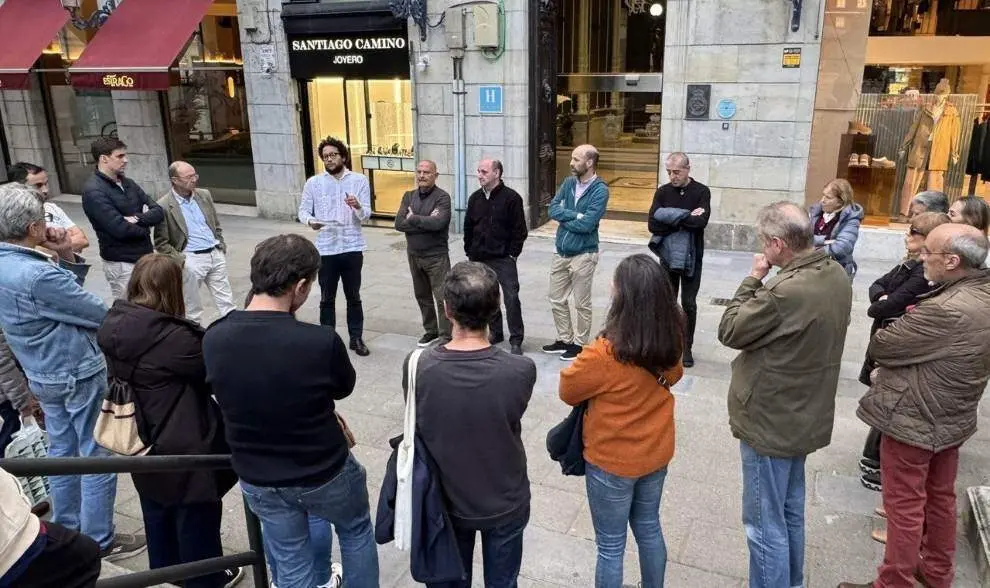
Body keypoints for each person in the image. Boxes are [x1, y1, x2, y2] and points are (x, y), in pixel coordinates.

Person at [203, 234, 379, 588]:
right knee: (355, 528)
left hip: (258, 474)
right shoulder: (319, 341)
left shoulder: (214, 337)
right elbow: (342, 387)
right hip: (322, 469)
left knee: (289, 556)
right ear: (299, 287)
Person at [0, 182, 145, 561]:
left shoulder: (10, 265)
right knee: (95, 454)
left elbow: (60, 303)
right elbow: (94, 312)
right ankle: (99, 539)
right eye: (41, 220)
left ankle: (67, 526)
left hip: (42, 372)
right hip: (74, 372)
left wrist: (63, 253)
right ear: (32, 227)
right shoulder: (36, 274)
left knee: (62, 451)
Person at [840, 224, 990, 588]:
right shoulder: (981, 292)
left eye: (928, 252)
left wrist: (891, 345)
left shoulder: (944, 308)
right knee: (939, 497)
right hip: (952, 414)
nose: (921, 258)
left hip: (916, 416)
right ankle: (936, 572)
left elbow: (883, 345)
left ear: (952, 261)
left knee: (904, 504)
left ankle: (895, 581)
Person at [717, 201, 852, 588]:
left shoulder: (784, 291)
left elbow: (730, 330)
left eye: (764, 241)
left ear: (778, 244)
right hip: (804, 411)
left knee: (763, 523)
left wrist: (753, 278)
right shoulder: (835, 274)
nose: (762, 248)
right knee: (790, 509)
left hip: (771, 419)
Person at [97, 254, 242, 588]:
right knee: (196, 525)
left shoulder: (113, 324)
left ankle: (166, 579)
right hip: (182, 439)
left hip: (140, 436)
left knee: (157, 516)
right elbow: (214, 375)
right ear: (173, 289)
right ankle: (206, 579)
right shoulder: (179, 340)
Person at [404, 261, 536, 588]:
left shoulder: (417, 366)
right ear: (496, 309)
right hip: (505, 497)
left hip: (442, 502)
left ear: (446, 309)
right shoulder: (520, 370)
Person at [559, 254, 685, 588]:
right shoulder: (672, 333)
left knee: (611, 546)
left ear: (622, 295)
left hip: (611, 459)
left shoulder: (604, 352)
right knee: (649, 527)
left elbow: (568, 391)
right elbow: (674, 375)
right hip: (655, 452)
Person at [857, 212, 949, 495]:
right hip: (886, 340)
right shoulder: (908, 265)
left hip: (897, 349)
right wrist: (881, 297)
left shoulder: (923, 274)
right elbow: (876, 286)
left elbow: (885, 306)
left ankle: (877, 465)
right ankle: (874, 461)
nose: (907, 236)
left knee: (889, 404)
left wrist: (884, 301)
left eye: (914, 232)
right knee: (882, 401)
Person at [298, 137, 372, 357]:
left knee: (353, 296)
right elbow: (303, 211)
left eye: (333, 155)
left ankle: (356, 338)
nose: (329, 159)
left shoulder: (359, 180)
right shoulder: (314, 183)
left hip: (352, 247)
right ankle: (327, 340)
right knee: (326, 297)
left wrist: (357, 206)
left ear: (343, 157)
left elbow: (366, 215)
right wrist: (311, 221)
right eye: (325, 156)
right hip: (326, 249)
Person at [543, 145, 610, 361]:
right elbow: (552, 209)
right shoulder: (568, 183)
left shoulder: (600, 190)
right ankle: (565, 339)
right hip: (561, 251)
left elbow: (588, 224)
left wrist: (565, 218)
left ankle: (580, 344)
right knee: (556, 298)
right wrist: (575, 215)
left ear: (589, 163)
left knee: (581, 303)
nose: (571, 163)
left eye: (576, 159)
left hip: (584, 254)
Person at [646, 152, 711, 367]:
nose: (672, 176)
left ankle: (687, 346)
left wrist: (668, 216)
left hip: (693, 256)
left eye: (677, 172)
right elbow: (653, 225)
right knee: (668, 302)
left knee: (688, 303)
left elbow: (700, 222)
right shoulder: (663, 192)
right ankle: (668, 344)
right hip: (668, 256)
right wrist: (686, 215)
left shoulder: (701, 191)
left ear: (687, 169)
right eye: (669, 172)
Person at [153, 161, 236, 325]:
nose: (194, 179)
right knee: (191, 307)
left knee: (227, 302)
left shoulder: (204, 195)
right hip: (191, 259)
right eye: (189, 177)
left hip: (214, 253)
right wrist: (182, 261)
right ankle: (192, 334)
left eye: (195, 175)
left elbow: (215, 224)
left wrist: (220, 244)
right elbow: (161, 242)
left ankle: (234, 329)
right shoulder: (163, 205)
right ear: (175, 180)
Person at [81, 137, 164, 299]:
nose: (125, 160)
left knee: (153, 306)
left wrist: (137, 218)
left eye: (125, 155)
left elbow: (158, 211)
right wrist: (146, 225)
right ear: (103, 159)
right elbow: (120, 229)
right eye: (119, 156)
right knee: (129, 309)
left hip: (145, 258)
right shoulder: (94, 191)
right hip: (122, 263)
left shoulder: (129, 183)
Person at [463, 159, 529, 355]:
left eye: (484, 172)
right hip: (479, 257)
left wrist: (512, 254)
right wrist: (469, 250)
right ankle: (496, 332)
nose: (479, 175)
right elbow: (468, 227)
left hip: (503, 258)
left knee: (511, 298)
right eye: (478, 171)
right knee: (486, 297)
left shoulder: (512, 198)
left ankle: (516, 339)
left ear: (497, 173)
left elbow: (520, 230)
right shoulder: (475, 198)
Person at [0, 466, 101, 588]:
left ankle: (69, 523)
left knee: (62, 455)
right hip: (13, 544)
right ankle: (101, 537)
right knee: (86, 554)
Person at [394, 160, 453, 346]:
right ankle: (431, 331)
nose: (421, 175)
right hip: (414, 255)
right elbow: (399, 223)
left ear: (436, 175)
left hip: (436, 257)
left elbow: (439, 223)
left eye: (426, 172)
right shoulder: (408, 196)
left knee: (442, 297)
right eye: (419, 171)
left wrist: (412, 218)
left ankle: (446, 335)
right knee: (422, 295)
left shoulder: (442, 198)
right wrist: (424, 221)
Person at [7, 162, 89, 252]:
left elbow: (82, 240)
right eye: (37, 185)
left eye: (45, 184)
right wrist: (64, 240)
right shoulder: (9, 217)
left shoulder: (51, 208)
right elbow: (22, 250)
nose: (45, 190)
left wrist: (45, 245)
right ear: (18, 188)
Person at [808, 178, 864, 279]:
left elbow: (841, 248)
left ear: (840, 201)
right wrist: (825, 241)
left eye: (828, 197)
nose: (822, 200)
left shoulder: (851, 219)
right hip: (812, 270)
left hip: (836, 273)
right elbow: (803, 239)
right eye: (823, 195)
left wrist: (810, 250)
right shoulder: (815, 213)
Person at [0, 330, 35, 455]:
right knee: (12, 439)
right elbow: (4, 368)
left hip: (6, 396)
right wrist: (22, 402)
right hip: (7, 399)